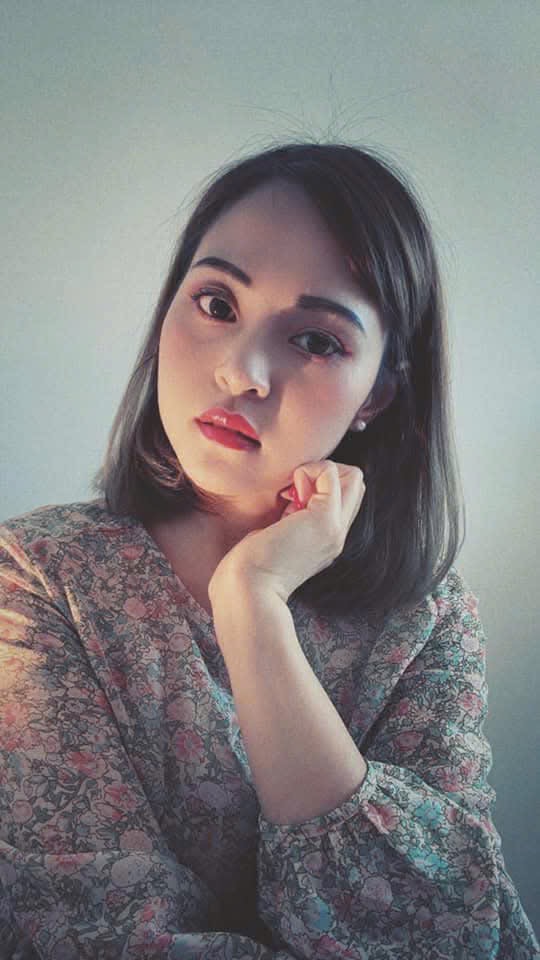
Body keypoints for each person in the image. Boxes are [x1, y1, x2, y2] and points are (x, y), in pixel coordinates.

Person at [1, 142, 538, 959]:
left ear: (378, 393)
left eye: (316, 341)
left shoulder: (425, 618)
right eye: (216, 303)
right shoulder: (40, 577)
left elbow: (443, 930)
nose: (241, 371)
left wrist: (251, 602)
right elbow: (91, 930)